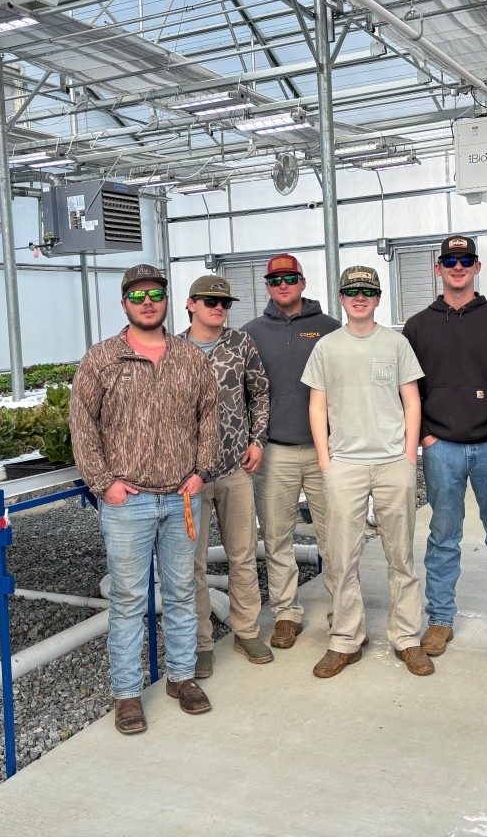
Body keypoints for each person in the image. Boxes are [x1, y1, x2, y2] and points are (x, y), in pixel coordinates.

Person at [69, 264, 220, 736]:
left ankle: (181, 678)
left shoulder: (190, 358)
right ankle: (127, 693)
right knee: (130, 598)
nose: (147, 301)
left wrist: (200, 472)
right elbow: (82, 424)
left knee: (180, 592)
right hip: (127, 501)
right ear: (124, 305)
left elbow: (209, 416)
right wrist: (103, 482)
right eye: (138, 296)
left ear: (167, 300)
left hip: (180, 497)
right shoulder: (102, 359)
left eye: (156, 293)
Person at [302, 265, 431, 678]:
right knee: (341, 556)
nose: (360, 297)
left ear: (378, 298)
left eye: (368, 291)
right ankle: (345, 638)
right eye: (352, 291)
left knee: (402, 555)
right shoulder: (326, 347)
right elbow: (317, 406)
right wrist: (327, 462)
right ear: (341, 297)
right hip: (345, 465)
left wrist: (409, 458)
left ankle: (407, 637)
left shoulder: (395, 343)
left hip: (394, 463)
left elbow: (411, 400)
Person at [402, 235, 487, 661]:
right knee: (442, 538)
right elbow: (409, 389)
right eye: (450, 261)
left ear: (476, 267)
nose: (458, 267)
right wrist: (424, 438)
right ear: (438, 268)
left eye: (466, 260)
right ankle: (439, 621)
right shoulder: (418, 326)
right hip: (442, 449)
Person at [241, 253, 340, 650]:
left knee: (335, 535)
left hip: (325, 451)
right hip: (275, 452)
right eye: (275, 280)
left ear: (303, 282)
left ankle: (342, 609)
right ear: (267, 286)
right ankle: (286, 613)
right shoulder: (250, 333)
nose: (283, 285)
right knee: (277, 536)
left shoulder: (330, 329)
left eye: (290, 278)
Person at [180, 274, 273, 677]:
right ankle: (201, 644)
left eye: (224, 303)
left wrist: (257, 440)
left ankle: (246, 630)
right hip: (188, 477)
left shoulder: (240, 344)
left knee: (243, 555)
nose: (217, 308)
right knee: (192, 564)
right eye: (208, 301)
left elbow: (260, 393)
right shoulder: (172, 350)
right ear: (191, 304)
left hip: (236, 468)